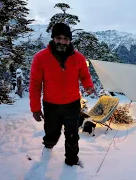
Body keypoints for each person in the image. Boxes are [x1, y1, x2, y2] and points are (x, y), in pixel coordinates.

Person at [29, 22, 95, 167]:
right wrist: (35, 108)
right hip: (51, 104)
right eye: (59, 38)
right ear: (53, 38)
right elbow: (35, 84)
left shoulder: (78, 58)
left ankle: (71, 161)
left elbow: (84, 75)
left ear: (70, 40)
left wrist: (88, 86)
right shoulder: (41, 58)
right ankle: (48, 147)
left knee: (72, 135)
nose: (62, 41)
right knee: (52, 132)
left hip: (72, 103)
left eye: (66, 38)